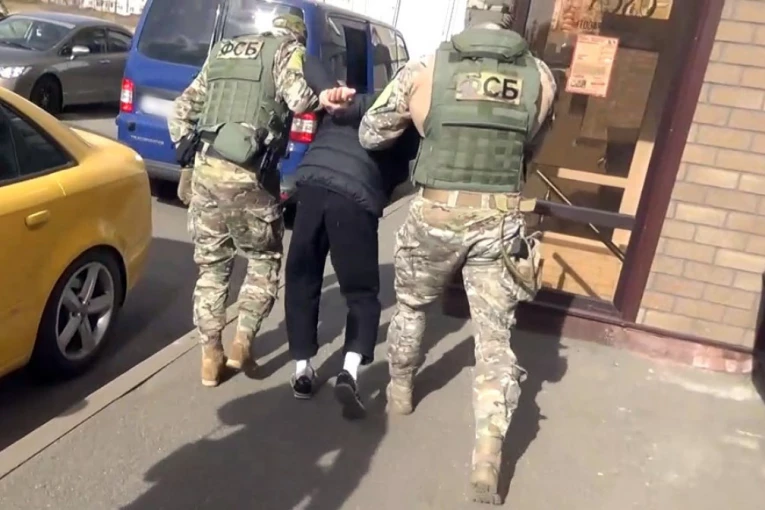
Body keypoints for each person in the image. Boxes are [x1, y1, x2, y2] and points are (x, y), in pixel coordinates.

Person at [356, 1, 557, 504]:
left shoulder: (427, 67)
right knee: (494, 340)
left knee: (411, 307)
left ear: (470, 14)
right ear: (509, 18)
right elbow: (533, 146)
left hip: (436, 213)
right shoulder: (540, 77)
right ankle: (488, 454)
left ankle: (400, 391)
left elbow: (372, 132)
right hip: (499, 219)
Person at [167, 14, 320, 388]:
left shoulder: (225, 50)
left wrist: (186, 154)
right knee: (264, 259)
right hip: (251, 176)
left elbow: (180, 109)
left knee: (212, 267)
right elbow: (300, 100)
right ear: (297, 35)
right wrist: (325, 93)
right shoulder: (287, 51)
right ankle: (243, 341)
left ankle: (210, 356)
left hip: (206, 170)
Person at [285, 54, 419, 419]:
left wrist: (329, 91)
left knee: (302, 278)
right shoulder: (403, 121)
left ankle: (302, 370)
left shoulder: (343, 102)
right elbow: (401, 175)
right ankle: (349, 370)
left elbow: (309, 61)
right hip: (355, 198)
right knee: (361, 292)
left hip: (311, 185)